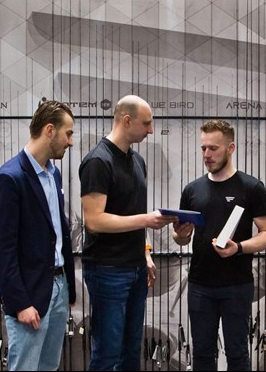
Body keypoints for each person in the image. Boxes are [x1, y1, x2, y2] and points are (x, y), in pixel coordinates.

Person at [79, 95, 178, 370]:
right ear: (126, 121)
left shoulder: (137, 161)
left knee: (131, 350)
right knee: (107, 353)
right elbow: (94, 221)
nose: (151, 130)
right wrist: (147, 220)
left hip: (135, 269)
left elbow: (131, 210)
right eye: (146, 123)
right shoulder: (98, 162)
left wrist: (145, 252)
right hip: (107, 270)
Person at [171, 119, 266, 371]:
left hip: (237, 285)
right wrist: (181, 235)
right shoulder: (192, 190)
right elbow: (181, 238)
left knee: (237, 354)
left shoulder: (252, 188)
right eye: (203, 148)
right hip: (199, 285)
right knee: (202, 354)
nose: (207, 155)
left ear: (231, 148)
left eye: (213, 148)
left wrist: (237, 248)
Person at [0, 100, 77, 371]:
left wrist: (68, 288)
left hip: (58, 287)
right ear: (49, 130)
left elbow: (58, 232)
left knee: (49, 366)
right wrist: (21, 303)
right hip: (30, 294)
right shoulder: (9, 178)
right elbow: (2, 251)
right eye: (68, 133)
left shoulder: (54, 174)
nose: (71, 142)